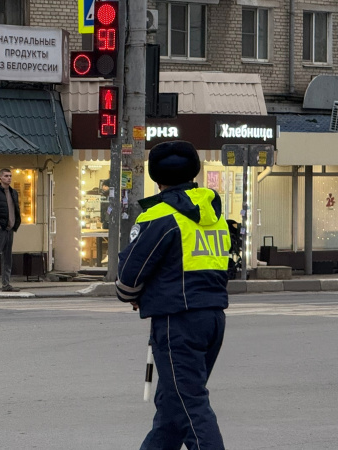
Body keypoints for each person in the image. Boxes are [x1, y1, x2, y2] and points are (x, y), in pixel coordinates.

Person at [116, 140, 230, 450]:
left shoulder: (161, 215)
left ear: (156, 177)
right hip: (213, 317)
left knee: (190, 405)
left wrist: (133, 294)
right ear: (196, 172)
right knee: (172, 405)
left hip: (177, 321)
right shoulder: (213, 212)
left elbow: (129, 276)